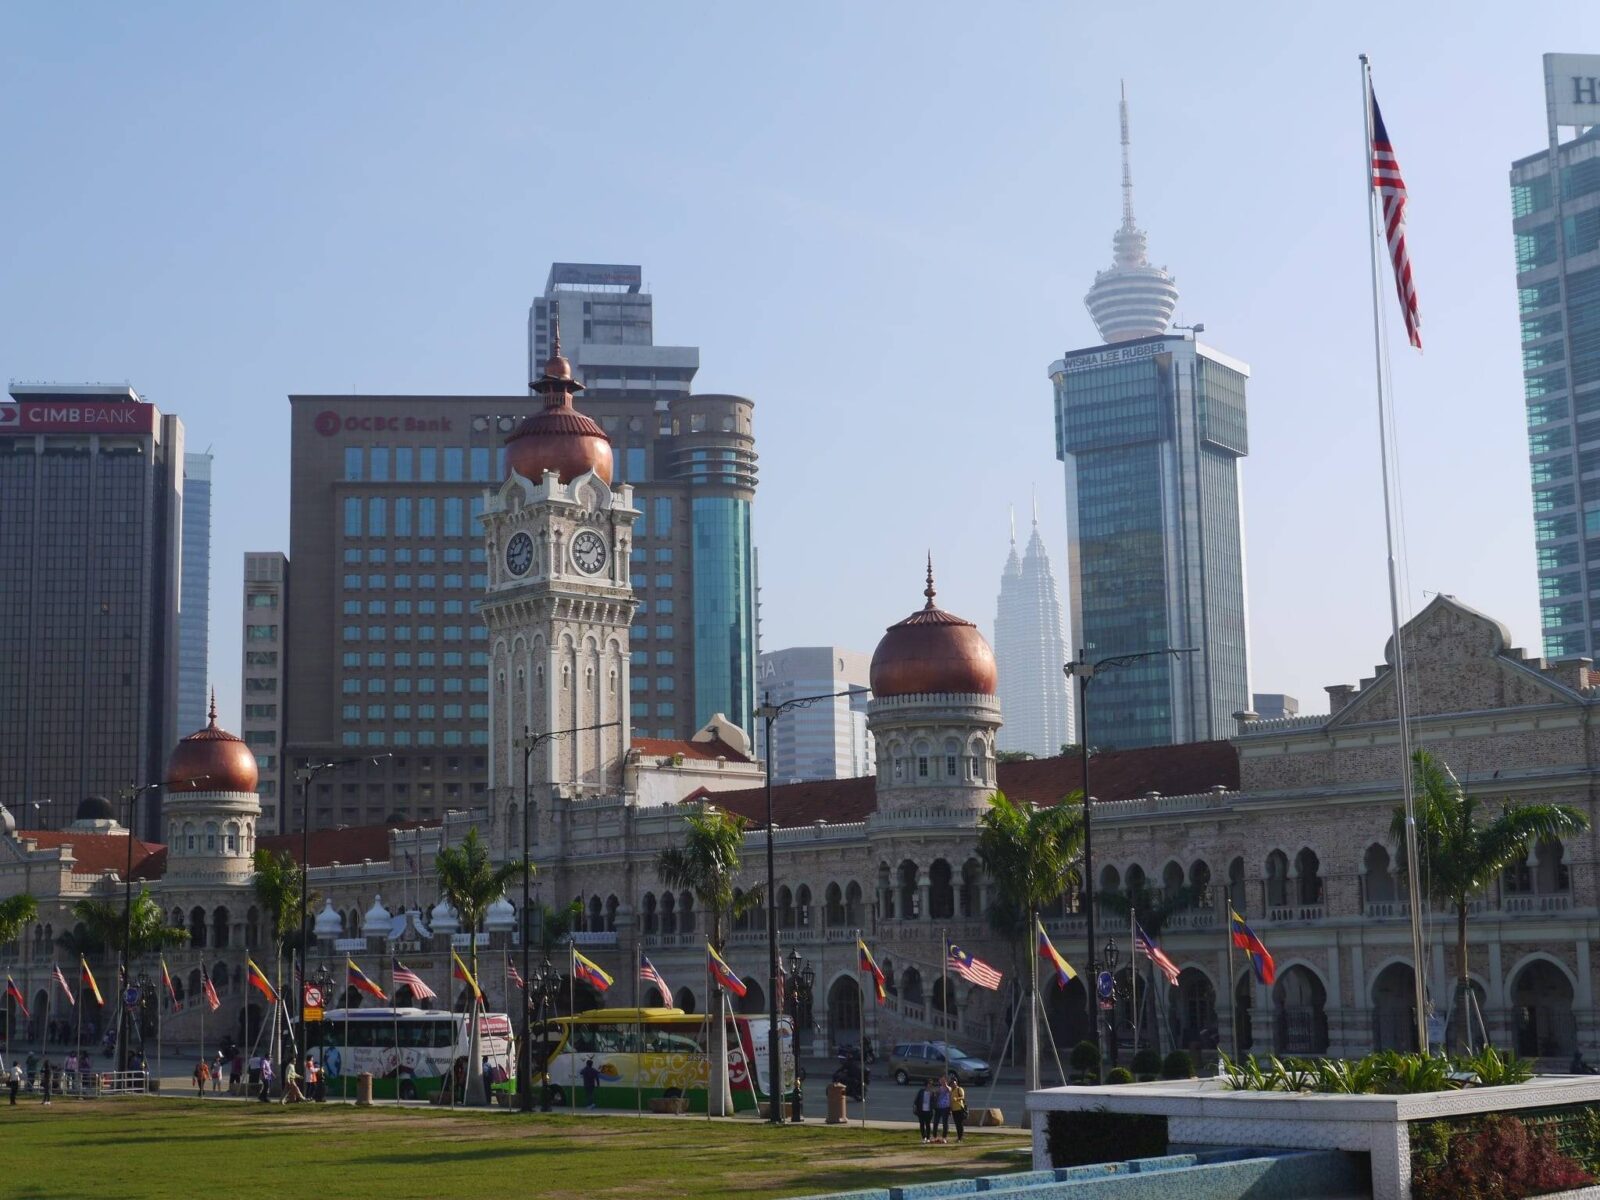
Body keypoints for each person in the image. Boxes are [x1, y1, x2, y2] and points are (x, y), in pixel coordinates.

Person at [932, 1075, 952, 1144]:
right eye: (941, 1080)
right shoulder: (939, 1089)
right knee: (935, 1122)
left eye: (944, 1080)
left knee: (945, 1123)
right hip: (938, 1108)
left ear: (946, 1081)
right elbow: (935, 1096)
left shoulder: (948, 1088)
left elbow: (949, 1090)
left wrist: (945, 1085)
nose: (942, 1082)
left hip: (946, 1108)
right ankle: (935, 1137)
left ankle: (944, 1138)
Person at [913, 1078, 934, 1143]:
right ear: (926, 1084)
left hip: (929, 1111)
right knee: (922, 1124)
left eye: (931, 1084)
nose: (930, 1085)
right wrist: (915, 1106)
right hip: (921, 1111)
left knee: (928, 1124)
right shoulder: (921, 1091)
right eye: (929, 1084)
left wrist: (932, 1096)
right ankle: (923, 1137)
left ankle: (928, 1138)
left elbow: (934, 1101)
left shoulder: (932, 1092)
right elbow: (917, 1100)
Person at [950, 1077, 968, 1143]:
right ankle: (959, 1137)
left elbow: (963, 1097)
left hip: (959, 1109)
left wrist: (957, 1099)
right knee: (957, 1124)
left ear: (956, 1083)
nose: (952, 1084)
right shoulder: (951, 1091)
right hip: (954, 1110)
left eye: (954, 1083)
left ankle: (960, 1138)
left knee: (959, 1124)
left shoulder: (959, 1089)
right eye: (951, 1083)